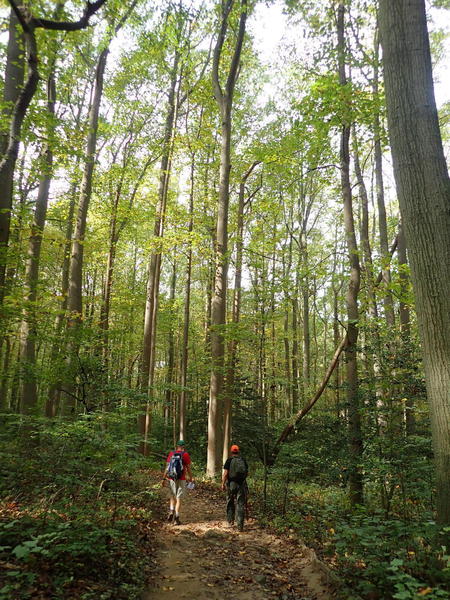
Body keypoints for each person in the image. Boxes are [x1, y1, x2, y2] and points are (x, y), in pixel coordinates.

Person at [162, 440, 193, 525]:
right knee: (179, 498)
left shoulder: (171, 453)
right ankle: (177, 518)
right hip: (181, 478)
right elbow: (188, 468)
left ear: (177, 446)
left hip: (171, 478)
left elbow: (167, 467)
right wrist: (191, 478)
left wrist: (163, 478)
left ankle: (171, 511)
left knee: (172, 495)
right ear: (183, 447)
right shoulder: (185, 454)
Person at [222, 444, 248, 531]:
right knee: (240, 504)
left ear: (231, 451)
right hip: (241, 484)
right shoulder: (243, 460)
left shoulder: (229, 460)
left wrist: (223, 483)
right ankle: (240, 525)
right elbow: (246, 473)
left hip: (231, 484)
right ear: (238, 451)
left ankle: (230, 521)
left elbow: (225, 473)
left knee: (230, 501)